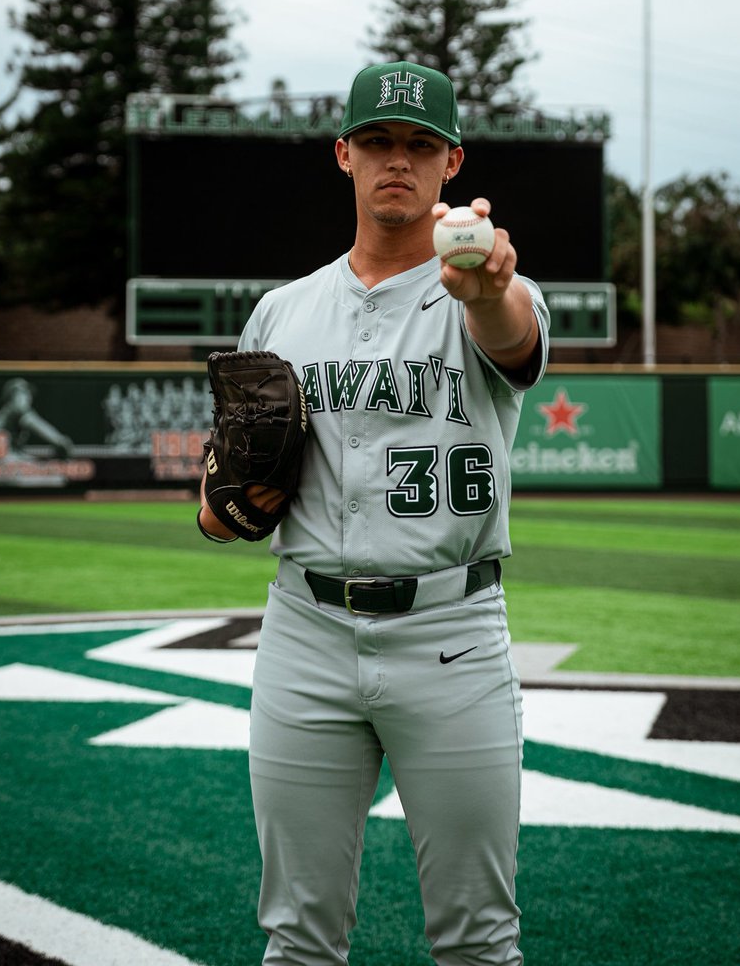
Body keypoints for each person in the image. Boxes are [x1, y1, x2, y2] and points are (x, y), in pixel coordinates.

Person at [198, 60, 550, 966]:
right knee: (297, 939)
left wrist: (483, 287)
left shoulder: (485, 290)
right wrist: (220, 505)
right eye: (382, 143)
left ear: (452, 164)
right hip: (304, 636)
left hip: (454, 636)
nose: (401, 161)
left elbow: (511, 329)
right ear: (345, 154)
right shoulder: (281, 312)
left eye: (421, 145)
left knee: (479, 941)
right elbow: (221, 487)